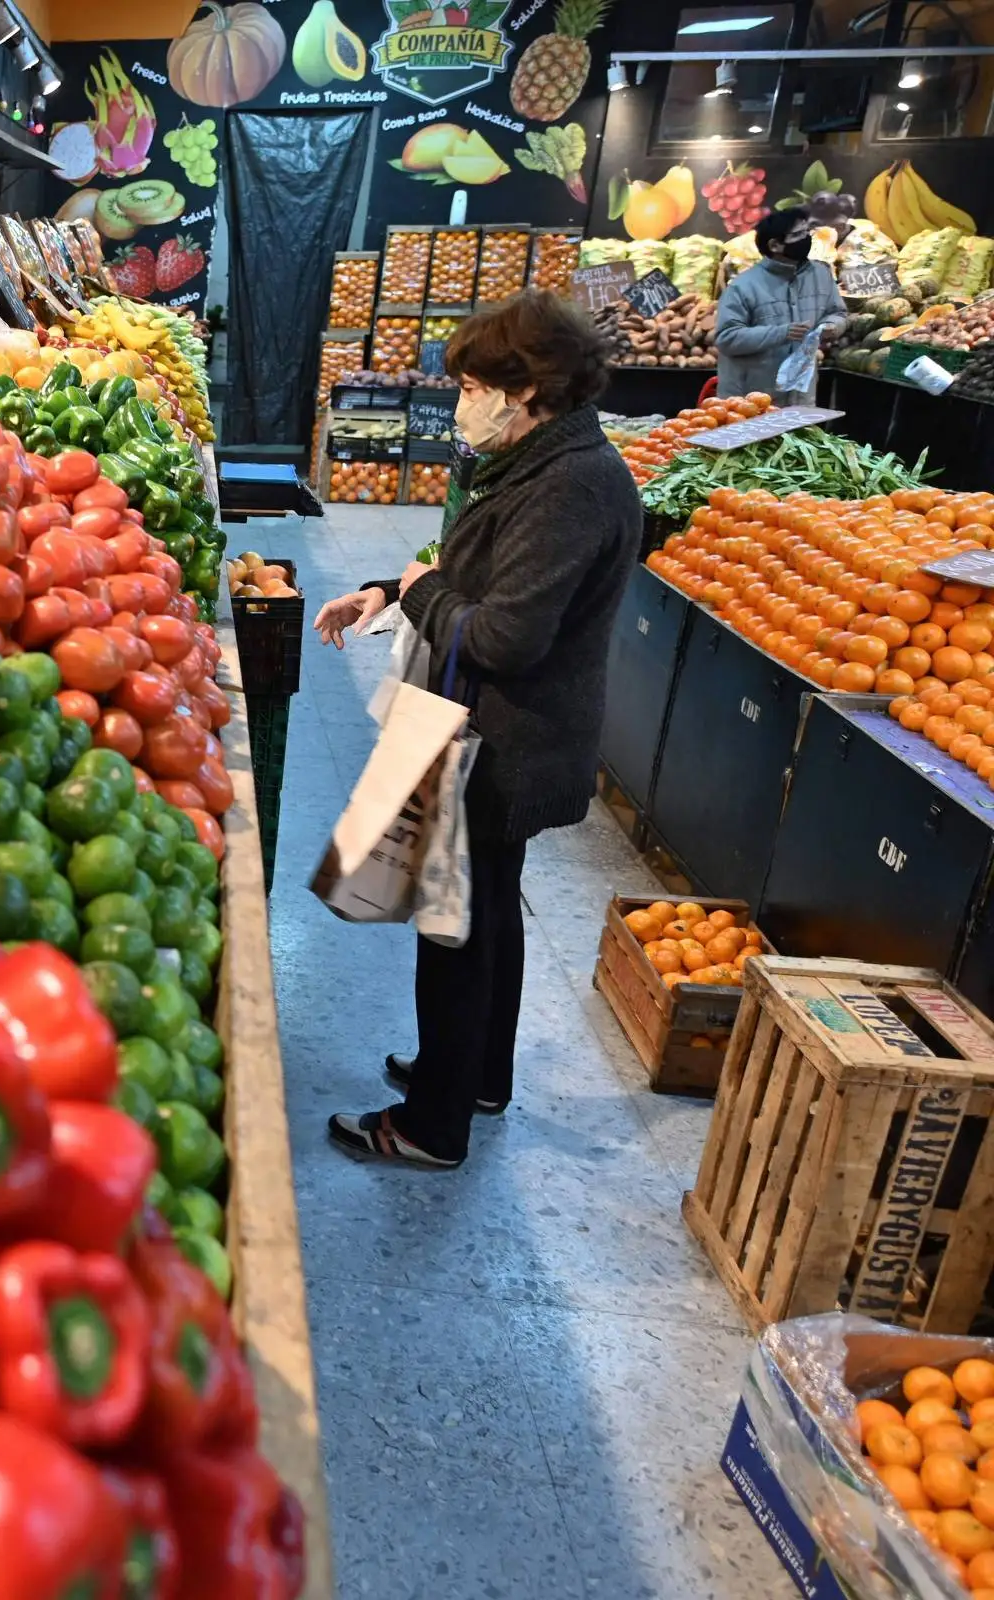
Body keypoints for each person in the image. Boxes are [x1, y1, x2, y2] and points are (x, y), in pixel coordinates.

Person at [310, 291, 640, 1169]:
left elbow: (505, 635)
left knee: (453, 926)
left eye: (470, 386)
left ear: (527, 390)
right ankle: (477, 1075)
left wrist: (420, 591)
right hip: (503, 732)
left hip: (503, 742)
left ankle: (430, 1126)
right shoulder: (539, 462)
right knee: (491, 908)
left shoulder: (571, 486)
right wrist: (391, 588)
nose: (462, 403)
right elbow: (475, 573)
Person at [714, 209, 844, 404]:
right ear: (775, 245)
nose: (806, 239)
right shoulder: (743, 287)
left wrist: (832, 326)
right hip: (751, 400)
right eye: (797, 235)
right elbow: (727, 338)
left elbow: (838, 312)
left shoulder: (821, 275)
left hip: (801, 396)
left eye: (806, 233)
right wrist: (782, 333)